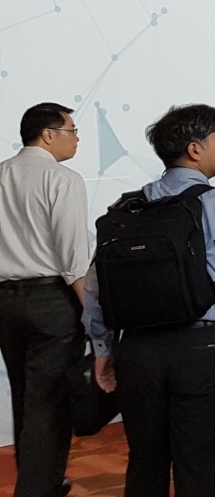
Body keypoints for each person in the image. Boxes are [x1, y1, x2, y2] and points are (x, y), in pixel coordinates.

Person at [84, 104, 215, 497]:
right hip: (203, 351)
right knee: (199, 467)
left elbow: (97, 287)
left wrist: (103, 348)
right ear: (195, 149)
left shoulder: (127, 207)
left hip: (137, 352)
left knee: (145, 464)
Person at [0, 103, 88, 497]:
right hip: (51, 300)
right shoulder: (62, 178)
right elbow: (74, 259)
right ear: (48, 134)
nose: (77, 138)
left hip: (4, 302)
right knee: (48, 402)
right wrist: (95, 314)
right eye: (72, 130)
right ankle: (37, 489)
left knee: (25, 396)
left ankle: (44, 480)